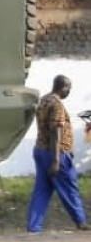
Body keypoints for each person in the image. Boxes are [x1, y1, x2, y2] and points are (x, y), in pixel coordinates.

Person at [27, 74, 90, 232]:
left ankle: (33, 226)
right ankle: (81, 222)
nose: (69, 91)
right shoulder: (57, 105)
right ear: (63, 87)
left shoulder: (43, 100)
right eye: (69, 88)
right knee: (69, 188)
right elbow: (56, 131)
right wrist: (56, 159)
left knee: (42, 190)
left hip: (40, 150)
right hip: (56, 153)